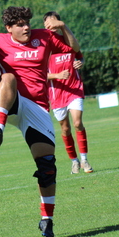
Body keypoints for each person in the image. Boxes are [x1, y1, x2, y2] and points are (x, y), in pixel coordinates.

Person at [0, 6, 80, 237]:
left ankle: (47, 219)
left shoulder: (45, 37)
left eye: (27, 22)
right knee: (8, 77)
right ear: (8, 28)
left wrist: (63, 26)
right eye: (19, 24)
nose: (26, 26)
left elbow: (75, 49)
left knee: (47, 167)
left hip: (36, 108)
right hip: (12, 100)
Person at [44, 11, 93, 174]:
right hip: (57, 94)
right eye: (48, 22)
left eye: (54, 21)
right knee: (65, 129)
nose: (51, 24)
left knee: (78, 123)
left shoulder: (67, 39)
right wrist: (57, 75)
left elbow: (78, 52)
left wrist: (81, 62)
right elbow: (39, 73)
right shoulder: (44, 45)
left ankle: (85, 160)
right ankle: (74, 161)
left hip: (74, 89)